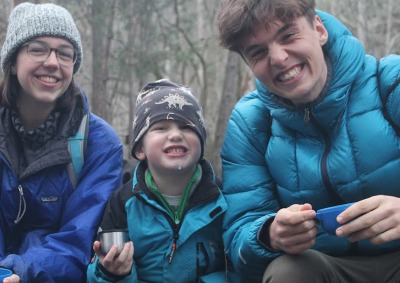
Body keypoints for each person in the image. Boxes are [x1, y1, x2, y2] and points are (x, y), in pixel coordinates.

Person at [217, 0, 400, 282]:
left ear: (318, 29)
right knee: (288, 272)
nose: (278, 58)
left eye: (288, 36)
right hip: (326, 266)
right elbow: (240, 235)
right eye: (258, 52)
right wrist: (269, 234)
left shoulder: (390, 82)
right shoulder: (250, 123)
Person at [0, 2, 123, 282]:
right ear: (13, 61)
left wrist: (19, 271)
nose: (52, 63)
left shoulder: (99, 144)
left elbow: (78, 241)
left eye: (64, 54)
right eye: (38, 49)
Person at [87, 79, 233, 282]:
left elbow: (239, 266)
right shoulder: (123, 202)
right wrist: (113, 273)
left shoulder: (223, 198)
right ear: (140, 149)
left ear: (201, 142)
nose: (175, 135)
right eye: (161, 128)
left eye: (186, 127)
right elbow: (96, 270)